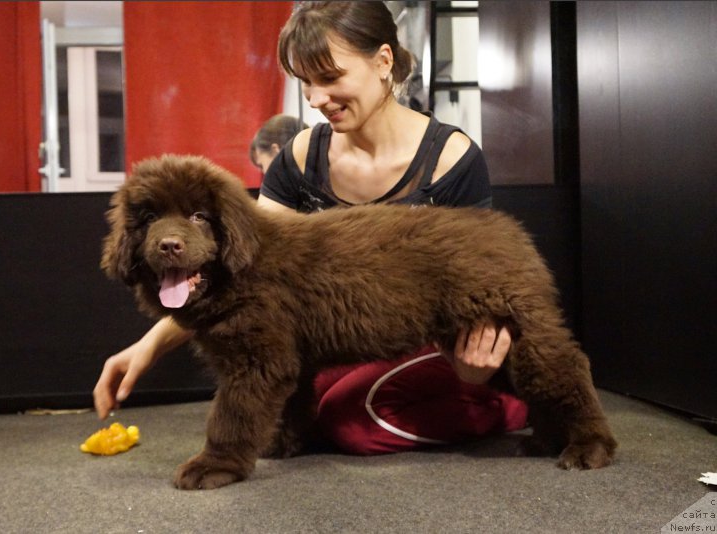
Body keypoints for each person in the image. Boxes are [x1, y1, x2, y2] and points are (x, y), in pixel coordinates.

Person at [94, 1, 527, 455]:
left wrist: (477, 368)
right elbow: (248, 280)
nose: (316, 99)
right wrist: (148, 347)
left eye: (330, 77)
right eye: (305, 82)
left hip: (428, 343)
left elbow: (482, 282)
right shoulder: (300, 157)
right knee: (294, 398)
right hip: (342, 341)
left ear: (383, 61)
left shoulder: (452, 160)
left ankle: (502, 406)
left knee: (351, 426)